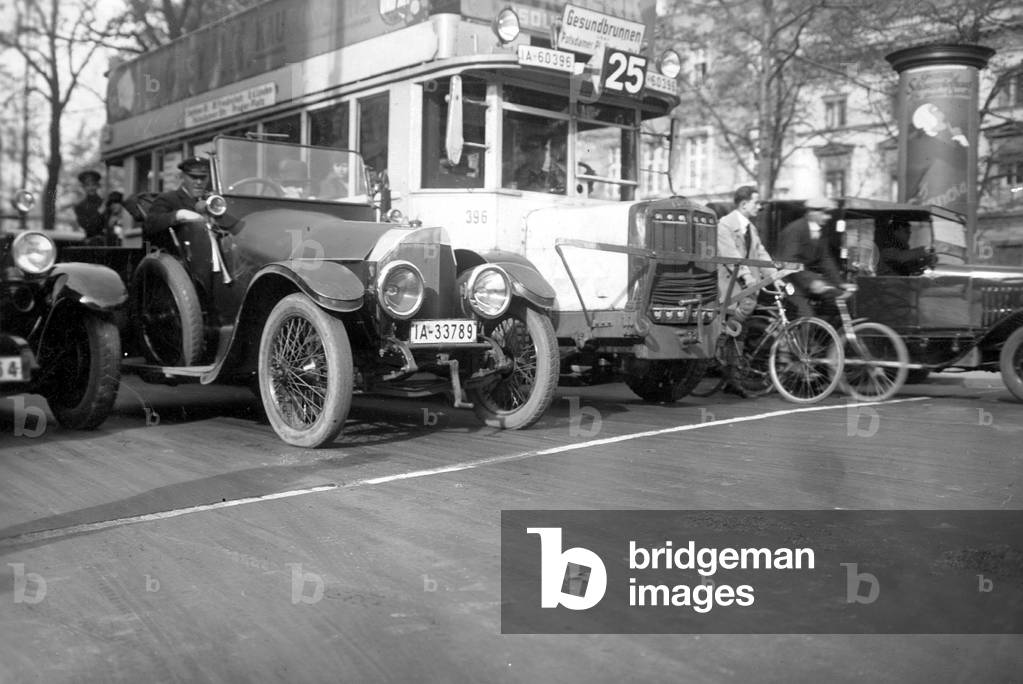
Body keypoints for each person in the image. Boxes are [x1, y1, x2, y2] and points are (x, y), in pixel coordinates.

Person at [774, 197, 847, 319]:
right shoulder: (795, 230)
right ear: (812, 213)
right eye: (825, 213)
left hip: (803, 279)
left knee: (837, 299)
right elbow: (788, 262)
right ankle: (803, 336)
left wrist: (840, 284)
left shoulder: (821, 232)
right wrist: (811, 282)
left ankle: (828, 335)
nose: (828, 217)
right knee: (807, 316)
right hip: (788, 281)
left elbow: (825, 259)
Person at [716, 185, 777, 305]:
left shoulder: (751, 228)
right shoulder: (724, 225)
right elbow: (731, 256)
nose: (759, 207)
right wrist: (747, 276)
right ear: (744, 204)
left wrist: (774, 276)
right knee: (736, 318)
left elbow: (760, 253)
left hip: (747, 286)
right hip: (729, 287)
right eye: (756, 203)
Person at [145, 156, 211, 242]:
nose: (199, 182)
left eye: (203, 178)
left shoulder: (212, 201)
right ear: (182, 177)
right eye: (193, 177)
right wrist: (178, 215)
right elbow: (150, 225)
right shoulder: (167, 199)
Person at [73, 170, 106, 243]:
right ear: (83, 187)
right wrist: (99, 213)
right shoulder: (80, 207)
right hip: (90, 241)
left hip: (108, 240)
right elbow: (88, 227)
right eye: (87, 185)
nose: (91, 188)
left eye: (93, 185)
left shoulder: (105, 203)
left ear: (98, 186)